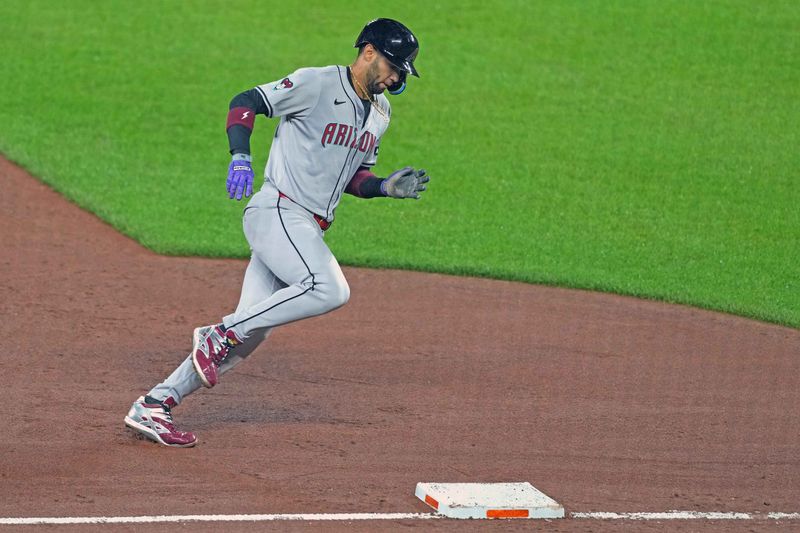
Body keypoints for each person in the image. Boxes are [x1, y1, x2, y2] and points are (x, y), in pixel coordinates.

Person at [124, 18, 429, 447]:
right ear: (368, 52)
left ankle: (156, 404)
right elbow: (247, 100)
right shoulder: (316, 83)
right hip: (279, 211)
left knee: (250, 335)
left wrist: (383, 187)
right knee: (329, 289)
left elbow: (354, 176)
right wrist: (240, 157)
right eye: (394, 67)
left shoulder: (381, 112)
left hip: (304, 230)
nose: (397, 78)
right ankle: (218, 333)